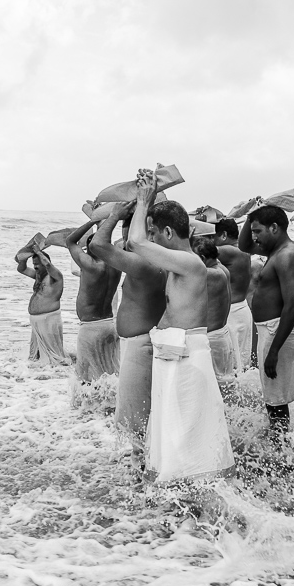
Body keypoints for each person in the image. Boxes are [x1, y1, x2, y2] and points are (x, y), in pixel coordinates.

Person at [126, 170, 234, 484]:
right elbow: (135, 242)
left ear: (169, 233)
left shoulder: (189, 263)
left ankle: (190, 508)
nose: (153, 241)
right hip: (176, 356)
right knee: (175, 436)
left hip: (186, 360)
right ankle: (177, 503)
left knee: (188, 441)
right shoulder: (180, 262)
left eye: (155, 234)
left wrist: (144, 201)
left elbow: (134, 242)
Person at [91, 201, 167, 468]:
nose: (124, 240)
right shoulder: (156, 257)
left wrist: (113, 216)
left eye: (128, 233)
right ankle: (144, 463)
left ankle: (143, 473)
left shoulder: (144, 263)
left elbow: (98, 246)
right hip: (140, 343)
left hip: (140, 345)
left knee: (138, 417)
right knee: (142, 414)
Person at [238, 205, 294, 437]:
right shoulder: (276, 251)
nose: (254, 236)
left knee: (276, 401)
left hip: (278, 331)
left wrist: (275, 349)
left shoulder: (287, 255)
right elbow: (243, 246)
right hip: (271, 329)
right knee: (273, 398)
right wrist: (250, 216)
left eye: (258, 231)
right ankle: (281, 445)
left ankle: (282, 449)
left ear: (274, 228)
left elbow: (292, 304)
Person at [65, 220, 121, 382]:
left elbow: (70, 241)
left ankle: (86, 408)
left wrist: (94, 219)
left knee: (86, 377)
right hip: (110, 324)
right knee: (108, 373)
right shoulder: (117, 265)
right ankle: (110, 406)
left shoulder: (90, 265)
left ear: (91, 247)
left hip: (90, 328)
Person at [16, 243, 68, 366]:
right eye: (34, 265)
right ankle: (34, 378)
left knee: (55, 358)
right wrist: (24, 257)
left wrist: (39, 252)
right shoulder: (38, 276)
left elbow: (48, 265)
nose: (35, 267)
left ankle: (59, 377)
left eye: (38, 264)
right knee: (34, 357)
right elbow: (21, 269)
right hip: (36, 321)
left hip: (49, 319)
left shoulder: (56, 277)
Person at [192, 236, 236, 380]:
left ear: (203, 258)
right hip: (219, 335)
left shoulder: (212, 274)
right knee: (224, 385)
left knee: (219, 386)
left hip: (214, 339)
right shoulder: (221, 268)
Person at [213, 219, 254, 373]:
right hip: (241, 309)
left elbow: (200, 251)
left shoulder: (228, 251)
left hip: (231, 314)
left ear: (223, 235)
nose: (212, 241)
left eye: (213, 237)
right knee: (241, 365)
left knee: (230, 367)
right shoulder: (243, 251)